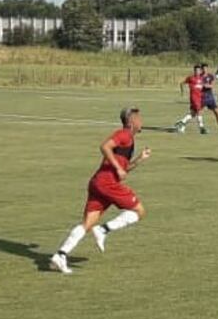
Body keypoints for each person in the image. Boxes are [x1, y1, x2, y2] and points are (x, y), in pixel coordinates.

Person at [50, 107, 150, 274]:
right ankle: (103, 230)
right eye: (139, 118)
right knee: (139, 211)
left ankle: (60, 255)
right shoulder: (124, 134)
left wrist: (139, 159)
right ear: (131, 122)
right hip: (107, 183)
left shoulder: (130, 140)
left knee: (87, 223)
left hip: (99, 183)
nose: (142, 121)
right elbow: (105, 146)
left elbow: (125, 170)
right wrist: (118, 169)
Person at [174, 65, 207, 134]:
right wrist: (182, 92)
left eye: (198, 70)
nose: (197, 72)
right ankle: (201, 127)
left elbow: (202, 87)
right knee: (199, 111)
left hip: (199, 97)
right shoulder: (191, 78)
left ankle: (182, 123)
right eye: (195, 70)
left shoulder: (201, 78)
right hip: (194, 98)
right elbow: (182, 83)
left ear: (200, 71)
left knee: (193, 114)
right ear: (194, 71)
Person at [199, 63, 218, 133]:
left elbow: (212, 85)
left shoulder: (210, 76)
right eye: (203, 68)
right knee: (199, 112)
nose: (205, 70)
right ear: (201, 69)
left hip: (210, 97)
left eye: (206, 68)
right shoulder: (199, 77)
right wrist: (204, 86)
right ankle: (201, 127)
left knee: (217, 112)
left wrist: (206, 85)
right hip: (202, 97)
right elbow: (199, 86)